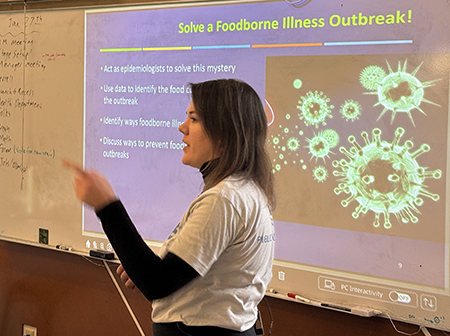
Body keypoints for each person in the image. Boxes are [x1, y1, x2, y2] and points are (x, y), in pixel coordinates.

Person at [64, 78, 276, 336]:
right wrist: (141, 266)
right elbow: (179, 272)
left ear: (224, 131)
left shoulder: (225, 199)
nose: (182, 127)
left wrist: (107, 206)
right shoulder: (244, 190)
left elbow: (158, 282)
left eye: (194, 119)